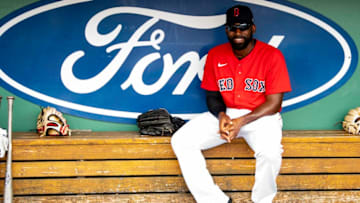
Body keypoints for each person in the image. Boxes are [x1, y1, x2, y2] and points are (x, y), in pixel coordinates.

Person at [171, 4, 292, 203]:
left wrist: (241, 121)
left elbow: (274, 103)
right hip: (227, 114)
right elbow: (212, 96)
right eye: (233, 28)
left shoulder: (272, 55)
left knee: (270, 153)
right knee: (181, 141)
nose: (238, 32)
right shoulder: (216, 54)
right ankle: (215, 200)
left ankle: (262, 200)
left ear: (252, 28)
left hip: (261, 117)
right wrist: (222, 116)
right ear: (226, 29)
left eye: (243, 27)